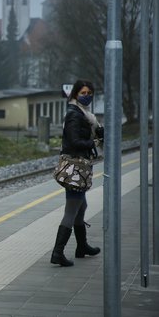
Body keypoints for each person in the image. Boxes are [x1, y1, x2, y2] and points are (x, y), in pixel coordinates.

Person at [51, 80, 103, 267]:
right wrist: (93, 142)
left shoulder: (84, 114)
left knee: (82, 206)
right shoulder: (75, 115)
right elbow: (73, 142)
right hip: (75, 167)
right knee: (71, 210)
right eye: (83, 92)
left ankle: (82, 246)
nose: (87, 95)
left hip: (79, 167)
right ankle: (57, 253)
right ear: (75, 95)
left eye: (90, 92)